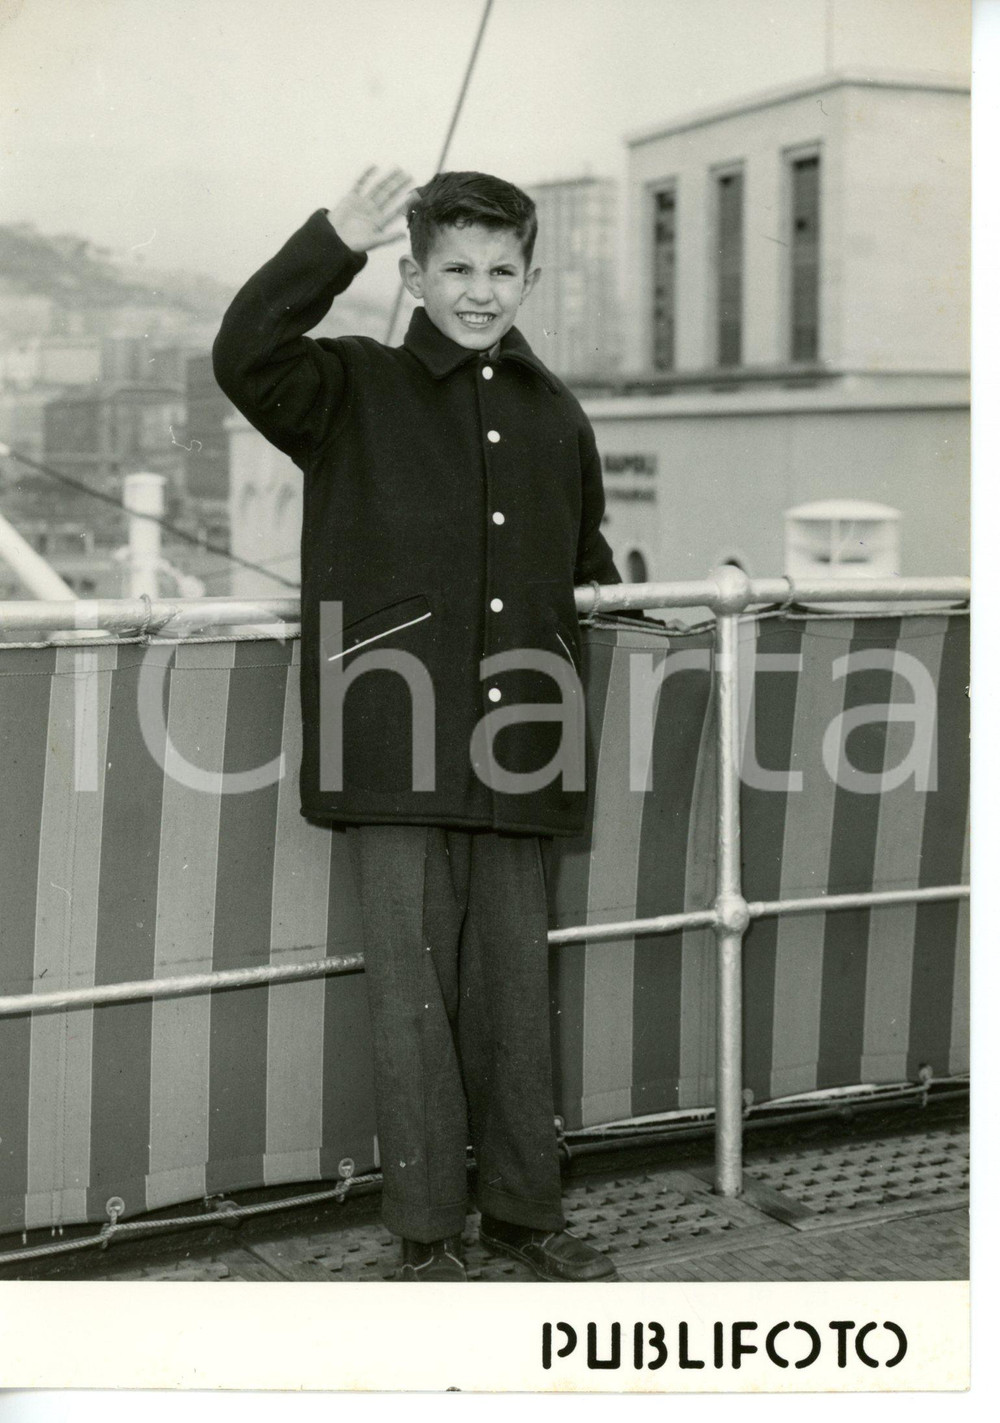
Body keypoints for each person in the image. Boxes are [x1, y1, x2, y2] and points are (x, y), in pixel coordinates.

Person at [213, 167, 631, 1282]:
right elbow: (242, 352)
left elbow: (587, 568)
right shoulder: (347, 386)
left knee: (514, 994)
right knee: (411, 998)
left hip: (522, 742)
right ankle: (425, 1233)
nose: (480, 291)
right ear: (411, 276)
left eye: (502, 270)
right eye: (456, 268)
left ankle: (525, 1217)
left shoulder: (557, 415)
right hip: (390, 738)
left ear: (529, 277)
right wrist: (327, 243)